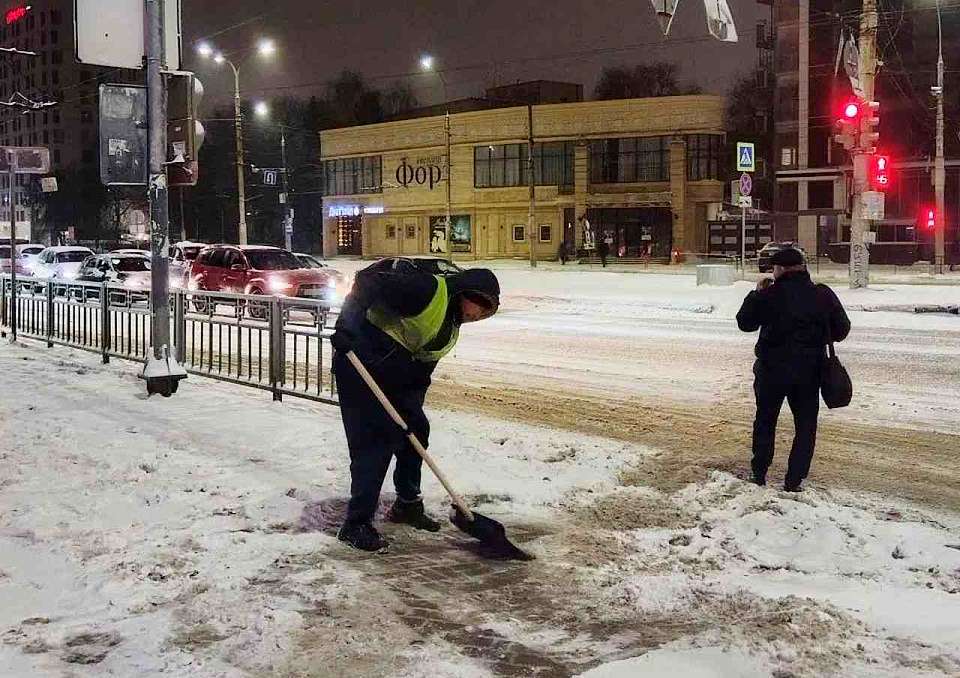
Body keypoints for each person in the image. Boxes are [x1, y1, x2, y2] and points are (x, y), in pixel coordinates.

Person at [330, 258, 501, 552]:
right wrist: (346, 326)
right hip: (358, 364)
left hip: (393, 377)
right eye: (482, 308)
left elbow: (422, 367)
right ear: (468, 295)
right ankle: (355, 524)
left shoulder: (450, 323)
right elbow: (370, 282)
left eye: (487, 313)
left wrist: (411, 405)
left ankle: (407, 504)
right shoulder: (425, 291)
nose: (480, 316)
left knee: (415, 431)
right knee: (375, 443)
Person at [736, 247, 850, 492]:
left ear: (779, 270)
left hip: (771, 371)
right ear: (802, 267)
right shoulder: (822, 294)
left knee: (766, 420)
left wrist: (756, 294)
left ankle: (759, 473)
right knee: (806, 425)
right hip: (809, 372)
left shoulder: (769, 294)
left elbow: (744, 323)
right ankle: (794, 480)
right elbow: (842, 329)